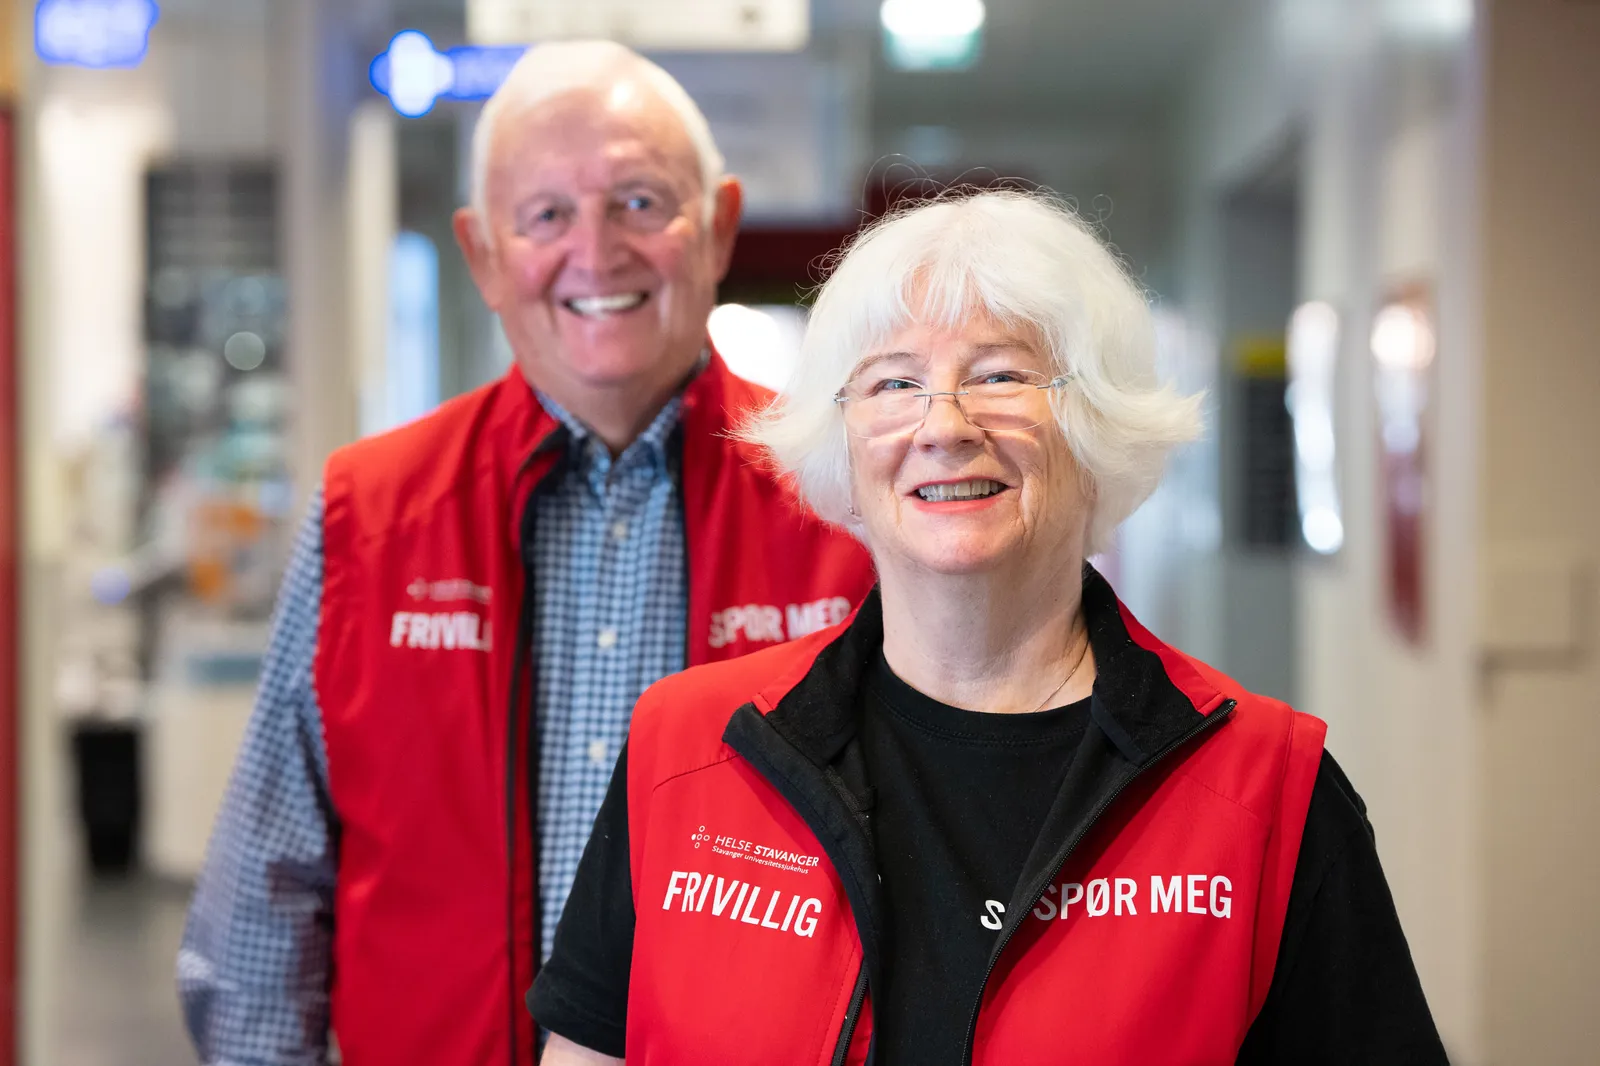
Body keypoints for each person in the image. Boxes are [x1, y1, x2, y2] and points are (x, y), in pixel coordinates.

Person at [529, 190, 1449, 1065]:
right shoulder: (687, 749)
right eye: (893, 383)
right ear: (842, 444)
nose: (944, 425)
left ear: (1094, 425)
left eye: (1000, 375)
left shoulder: (1267, 792)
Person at [177, 41, 874, 1066]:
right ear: (484, 256)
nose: (595, 252)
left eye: (641, 201)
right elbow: (259, 923)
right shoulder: (367, 519)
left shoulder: (848, 503)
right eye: (545, 214)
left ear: (718, 226)